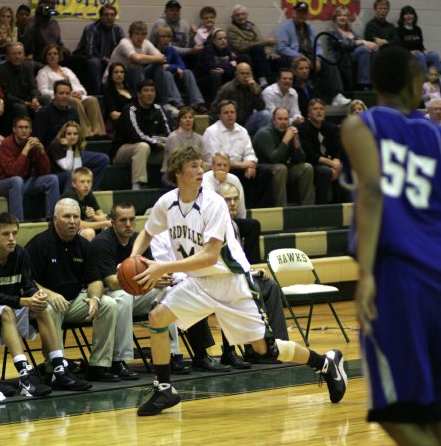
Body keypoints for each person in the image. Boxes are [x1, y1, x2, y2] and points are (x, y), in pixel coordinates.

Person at [129, 145, 347, 416]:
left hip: (231, 281)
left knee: (264, 349)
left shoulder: (213, 203)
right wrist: (132, 258)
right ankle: (164, 389)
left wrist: (164, 266)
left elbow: (209, 257)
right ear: (178, 173)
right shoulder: (167, 203)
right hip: (198, 283)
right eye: (194, 166)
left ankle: (325, 363)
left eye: (201, 165)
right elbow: (147, 232)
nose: (201, 170)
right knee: (157, 317)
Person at [340, 45, 441, 446]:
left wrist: (369, 270)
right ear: (402, 81)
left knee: (396, 411)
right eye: (423, 76)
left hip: (399, 277)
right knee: (432, 409)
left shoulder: (361, 127)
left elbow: (374, 191)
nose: (428, 84)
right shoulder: (436, 135)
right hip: (437, 276)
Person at [0, 211, 91, 396]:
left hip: (12, 307)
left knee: (43, 308)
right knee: (6, 311)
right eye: (6, 234)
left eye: (14, 233)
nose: (11, 238)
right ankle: (25, 376)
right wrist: (22, 300)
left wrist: (37, 296)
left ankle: (59, 370)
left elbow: (28, 285)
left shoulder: (20, 253)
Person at [26, 198, 119, 383]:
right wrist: (49, 294)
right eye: (67, 216)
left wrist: (94, 299)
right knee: (49, 308)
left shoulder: (84, 245)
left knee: (109, 304)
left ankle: (98, 366)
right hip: (44, 305)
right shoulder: (39, 244)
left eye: (76, 217)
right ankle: (56, 368)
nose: (72, 221)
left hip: (73, 302)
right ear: (55, 219)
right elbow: (27, 280)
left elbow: (95, 280)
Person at [92, 202, 189, 378]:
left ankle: (171, 354)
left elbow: (151, 271)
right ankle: (118, 360)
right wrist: (148, 280)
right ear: (112, 222)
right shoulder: (102, 243)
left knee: (167, 292)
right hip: (108, 294)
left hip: (136, 291)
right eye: (123, 220)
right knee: (123, 297)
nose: (128, 224)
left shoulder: (140, 241)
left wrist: (158, 278)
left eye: (131, 219)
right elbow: (112, 282)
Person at [217, 180, 289, 363]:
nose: (233, 203)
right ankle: (256, 349)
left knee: (270, 286)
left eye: (235, 199)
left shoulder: (234, 226)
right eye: (227, 200)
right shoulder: (215, 226)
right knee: (253, 288)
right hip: (221, 280)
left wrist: (252, 270)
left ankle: (278, 345)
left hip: (238, 275)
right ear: (218, 202)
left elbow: (237, 259)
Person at [32, 80, 109, 189]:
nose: (64, 96)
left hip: (73, 151)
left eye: (67, 93)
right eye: (61, 93)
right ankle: (69, 200)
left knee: (102, 159)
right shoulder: (43, 114)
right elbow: (38, 142)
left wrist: (74, 145)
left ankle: (89, 191)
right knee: (70, 171)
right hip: (53, 155)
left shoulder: (73, 112)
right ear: (54, 95)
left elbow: (79, 135)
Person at [276, 1, 350, 107]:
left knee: (330, 63)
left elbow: (318, 44)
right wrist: (298, 56)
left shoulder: (309, 28)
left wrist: (317, 58)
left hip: (309, 56)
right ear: (294, 13)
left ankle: (336, 96)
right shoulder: (286, 27)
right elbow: (281, 48)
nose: (302, 15)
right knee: (300, 64)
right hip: (293, 57)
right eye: (299, 12)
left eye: (304, 13)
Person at [202, 99, 273, 209]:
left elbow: (250, 153)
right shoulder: (211, 132)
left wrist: (251, 166)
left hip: (241, 167)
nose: (230, 115)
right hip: (221, 169)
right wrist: (243, 165)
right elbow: (216, 160)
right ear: (219, 116)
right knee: (233, 173)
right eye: (226, 113)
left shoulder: (242, 131)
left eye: (232, 112)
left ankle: (259, 209)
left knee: (265, 172)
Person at [0, 115, 59, 221]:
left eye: (26, 127)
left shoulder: (32, 144)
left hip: (21, 182)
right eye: (20, 127)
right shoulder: (6, 144)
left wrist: (42, 152)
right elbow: (13, 172)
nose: (24, 130)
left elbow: (44, 171)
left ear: (31, 130)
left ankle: (53, 220)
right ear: (14, 129)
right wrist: (25, 150)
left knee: (52, 179)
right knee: (16, 181)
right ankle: (19, 223)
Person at [36, 44, 106, 139]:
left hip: (74, 95)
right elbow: (43, 91)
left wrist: (80, 92)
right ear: (45, 56)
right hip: (60, 99)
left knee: (92, 100)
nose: (53, 56)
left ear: (59, 56)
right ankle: (86, 133)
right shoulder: (43, 72)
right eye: (49, 54)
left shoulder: (67, 70)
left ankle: (99, 133)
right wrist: (63, 94)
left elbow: (80, 86)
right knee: (74, 102)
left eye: (55, 53)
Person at [113, 79, 170, 189]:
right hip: (123, 151)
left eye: (152, 91)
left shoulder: (158, 108)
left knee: (172, 149)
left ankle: (169, 182)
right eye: (146, 90)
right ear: (139, 94)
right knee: (142, 146)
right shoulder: (130, 109)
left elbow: (167, 134)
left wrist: (155, 140)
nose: (149, 94)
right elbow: (136, 136)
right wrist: (156, 142)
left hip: (149, 150)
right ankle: (137, 186)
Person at [253, 107, 314, 206]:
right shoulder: (264, 134)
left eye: (286, 119)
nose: (283, 122)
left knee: (307, 168)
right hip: (263, 169)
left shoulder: (290, 132)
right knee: (281, 168)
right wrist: (286, 140)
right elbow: (274, 158)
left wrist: (295, 142)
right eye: (280, 119)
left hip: (283, 168)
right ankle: (281, 209)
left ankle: (308, 207)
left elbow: (301, 159)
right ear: (273, 120)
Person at [297, 98, 347, 204]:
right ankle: (322, 206)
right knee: (325, 171)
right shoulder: (303, 128)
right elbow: (310, 154)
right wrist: (331, 163)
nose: (319, 111)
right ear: (309, 113)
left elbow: (337, 149)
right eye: (315, 109)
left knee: (344, 167)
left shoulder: (331, 128)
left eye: (321, 109)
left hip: (329, 162)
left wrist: (337, 161)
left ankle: (343, 205)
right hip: (312, 163)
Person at [73, 3, 125, 95]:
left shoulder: (118, 30)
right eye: (106, 15)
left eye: (112, 15)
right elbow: (91, 52)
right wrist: (107, 61)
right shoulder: (92, 28)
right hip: (87, 59)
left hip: (109, 61)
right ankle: (98, 95)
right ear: (100, 16)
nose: (109, 17)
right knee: (95, 63)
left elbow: (123, 49)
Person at [153, 26, 207, 113]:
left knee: (187, 72)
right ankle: (178, 104)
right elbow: (159, 67)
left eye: (168, 37)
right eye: (163, 36)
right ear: (158, 38)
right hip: (158, 79)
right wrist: (173, 68)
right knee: (167, 73)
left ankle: (197, 103)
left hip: (172, 78)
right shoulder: (153, 49)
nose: (166, 39)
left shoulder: (171, 49)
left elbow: (182, 65)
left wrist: (172, 67)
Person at [209, 62, 270, 134]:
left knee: (265, 114)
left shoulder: (253, 87)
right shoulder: (227, 89)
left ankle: (258, 142)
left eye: (248, 74)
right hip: (230, 124)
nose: (245, 76)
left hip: (247, 124)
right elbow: (213, 110)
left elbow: (261, 108)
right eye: (242, 73)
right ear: (236, 75)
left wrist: (256, 93)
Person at [227, 5, 278, 87]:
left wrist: (268, 52)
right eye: (238, 15)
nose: (241, 17)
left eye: (243, 14)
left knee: (278, 59)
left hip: (257, 52)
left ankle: (276, 84)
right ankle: (263, 81)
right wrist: (264, 43)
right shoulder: (231, 29)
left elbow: (259, 40)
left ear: (247, 15)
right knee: (257, 49)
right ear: (232, 17)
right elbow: (241, 46)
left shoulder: (252, 25)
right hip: (241, 55)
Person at [327, 6, 377, 90]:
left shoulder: (351, 31)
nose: (342, 17)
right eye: (339, 15)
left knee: (373, 49)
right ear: (335, 18)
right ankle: (363, 84)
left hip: (353, 55)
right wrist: (362, 42)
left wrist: (368, 43)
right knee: (364, 50)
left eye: (345, 15)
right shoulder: (333, 32)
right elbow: (343, 45)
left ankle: (374, 82)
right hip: (341, 57)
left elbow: (360, 40)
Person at [0, 42, 46, 124]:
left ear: (24, 54)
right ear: (8, 56)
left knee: (46, 98)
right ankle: (26, 131)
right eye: (14, 54)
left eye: (20, 53)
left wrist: (35, 98)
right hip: (12, 102)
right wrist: (25, 103)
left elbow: (33, 87)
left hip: (28, 99)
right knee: (20, 107)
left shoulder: (28, 67)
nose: (17, 56)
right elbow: (7, 95)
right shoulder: (1, 71)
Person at [61, 166, 111, 241]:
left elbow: (102, 217)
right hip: (63, 231)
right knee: (89, 233)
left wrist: (94, 217)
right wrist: (106, 223)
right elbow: (78, 224)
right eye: (82, 181)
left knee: (109, 229)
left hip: (75, 229)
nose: (86, 185)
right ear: (74, 184)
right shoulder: (70, 195)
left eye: (89, 181)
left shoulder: (88, 194)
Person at [161, 106, 206, 183]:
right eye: (184, 118)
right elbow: (176, 163)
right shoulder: (173, 137)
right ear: (179, 121)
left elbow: (205, 158)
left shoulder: (199, 138)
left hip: (195, 172)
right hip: (173, 174)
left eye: (190, 117)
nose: (188, 120)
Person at [149, 0, 202, 65]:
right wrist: (190, 50)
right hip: (164, 55)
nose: (175, 13)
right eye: (172, 10)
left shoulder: (184, 24)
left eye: (177, 10)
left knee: (196, 55)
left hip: (180, 57)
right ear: (165, 12)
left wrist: (192, 38)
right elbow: (158, 45)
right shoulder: (160, 23)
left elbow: (186, 46)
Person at [396, 5, 440, 75]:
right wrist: (409, 52)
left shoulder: (417, 29)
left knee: (434, 55)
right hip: (407, 55)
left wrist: (424, 49)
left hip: (419, 54)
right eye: (406, 14)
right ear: (402, 17)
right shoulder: (399, 30)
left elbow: (420, 44)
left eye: (411, 14)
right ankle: (425, 82)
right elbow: (398, 47)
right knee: (420, 55)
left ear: (414, 16)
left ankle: (437, 80)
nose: (409, 16)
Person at [196, 29, 237, 102]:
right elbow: (211, 67)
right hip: (204, 77)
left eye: (225, 38)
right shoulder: (208, 49)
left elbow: (234, 67)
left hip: (221, 74)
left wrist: (224, 71)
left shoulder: (227, 49)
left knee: (236, 73)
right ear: (214, 41)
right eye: (220, 39)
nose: (223, 40)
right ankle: (214, 103)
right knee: (216, 75)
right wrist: (229, 64)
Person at [102, 62, 134, 138]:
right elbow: (113, 115)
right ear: (111, 75)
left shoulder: (130, 89)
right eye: (116, 72)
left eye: (121, 72)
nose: (119, 74)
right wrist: (132, 115)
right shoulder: (109, 92)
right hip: (119, 124)